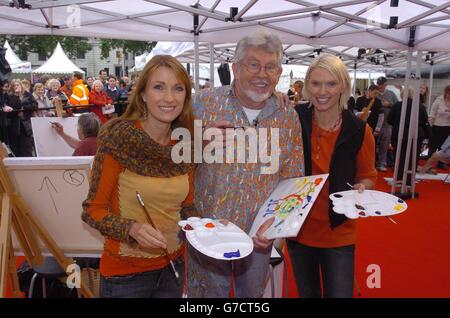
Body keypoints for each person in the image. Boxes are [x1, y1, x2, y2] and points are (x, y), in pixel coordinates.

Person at [187, 30, 305, 298]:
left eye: (270, 67)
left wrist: (276, 227)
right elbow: (172, 161)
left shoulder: (287, 115)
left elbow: (294, 180)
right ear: (236, 68)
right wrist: (200, 144)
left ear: (279, 73)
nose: (262, 74)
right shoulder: (202, 104)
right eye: (254, 65)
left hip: (258, 237)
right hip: (208, 233)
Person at [81, 55, 195, 298]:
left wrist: (207, 227)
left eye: (178, 89)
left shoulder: (186, 144)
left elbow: (186, 208)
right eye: (158, 87)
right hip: (125, 278)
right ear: (142, 93)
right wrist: (131, 228)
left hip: (173, 270)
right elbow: (93, 210)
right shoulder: (118, 139)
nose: (169, 98)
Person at [288, 54, 377, 298]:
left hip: (339, 232)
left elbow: (369, 175)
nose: (322, 91)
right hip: (298, 230)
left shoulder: (359, 130)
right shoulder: (294, 118)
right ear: (306, 86)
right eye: (316, 83)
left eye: (331, 83)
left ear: (343, 87)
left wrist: (362, 186)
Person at [387, 87, 430, 186]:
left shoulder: (397, 105)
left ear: (402, 94)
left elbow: (389, 120)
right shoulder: (420, 106)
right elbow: (424, 121)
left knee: (399, 157)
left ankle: (398, 179)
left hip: (400, 135)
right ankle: (410, 180)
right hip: (415, 135)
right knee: (413, 158)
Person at [3, 79, 37, 157]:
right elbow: (12, 107)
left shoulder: (27, 94)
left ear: (21, 86)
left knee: (26, 146)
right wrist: (16, 96)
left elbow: (35, 105)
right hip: (14, 124)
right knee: (15, 146)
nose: (16, 87)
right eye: (14, 85)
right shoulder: (10, 96)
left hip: (26, 124)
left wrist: (24, 108)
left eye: (18, 85)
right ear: (12, 87)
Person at [376, 76, 399, 171]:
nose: (380, 86)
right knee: (374, 145)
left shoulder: (391, 94)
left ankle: (382, 163)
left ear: (386, 85)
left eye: (381, 84)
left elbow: (398, 106)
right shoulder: (375, 94)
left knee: (384, 146)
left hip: (387, 125)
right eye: (379, 84)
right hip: (376, 124)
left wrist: (389, 105)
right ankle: (374, 163)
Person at [428, 85, 450, 164]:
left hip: (448, 127)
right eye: (448, 94)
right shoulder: (439, 100)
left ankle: (441, 163)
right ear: (446, 93)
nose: (449, 96)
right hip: (437, 127)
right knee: (433, 146)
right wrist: (430, 126)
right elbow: (432, 114)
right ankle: (430, 163)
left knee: (444, 148)